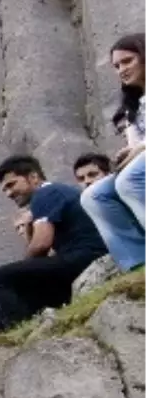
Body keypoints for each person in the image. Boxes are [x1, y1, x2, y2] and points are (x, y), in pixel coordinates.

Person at [0, 156, 107, 329]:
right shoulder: (54, 193)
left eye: (11, 185)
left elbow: (41, 244)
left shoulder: (45, 193)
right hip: (84, 258)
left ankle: (13, 334)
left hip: (84, 257)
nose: (8, 194)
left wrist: (23, 267)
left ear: (33, 177)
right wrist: (28, 231)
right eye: (4, 190)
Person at [81, 34, 146, 272]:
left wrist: (138, 150)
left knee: (130, 180)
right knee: (94, 195)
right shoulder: (133, 105)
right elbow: (135, 143)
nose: (121, 70)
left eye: (128, 61)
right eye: (117, 66)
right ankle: (137, 261)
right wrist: (127, 153)